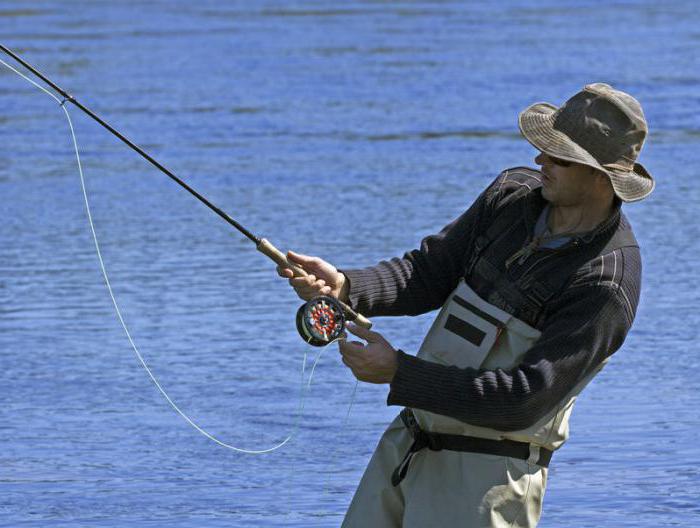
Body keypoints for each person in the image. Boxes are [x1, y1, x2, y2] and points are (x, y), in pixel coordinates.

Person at [278, 83, 654, 527]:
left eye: (559, 157)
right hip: (409, 444)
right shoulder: (510, 194)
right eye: (544, 148)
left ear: (601, 176)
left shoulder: (606, 283)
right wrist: (346, 287)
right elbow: (428, 271)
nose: (540, 161)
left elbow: (524, 400)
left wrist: (400, 373)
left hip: (488, 479)